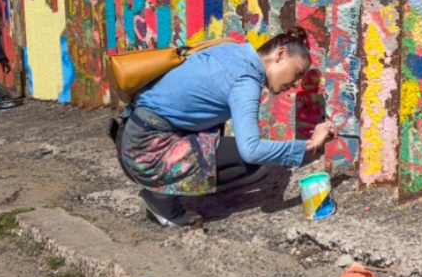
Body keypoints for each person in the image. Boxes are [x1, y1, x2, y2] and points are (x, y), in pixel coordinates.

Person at [116, 26, 336, 227]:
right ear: (280, 55)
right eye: (298, 72)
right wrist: (310, 145)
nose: (297, 84)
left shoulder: (231, 49)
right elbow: (251, 150)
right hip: (146, 154)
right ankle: (162, 200)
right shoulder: (246, 81)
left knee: (254, 161)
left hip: (129, 136)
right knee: (254, 163)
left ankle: (187, 187)